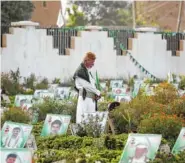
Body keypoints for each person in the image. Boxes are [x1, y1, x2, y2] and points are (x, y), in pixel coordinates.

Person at [73, 52, 101, 123]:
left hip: (91, 99)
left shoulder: (88, 71)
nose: (93, 64)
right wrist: (97, 92)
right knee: (82, 119)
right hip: (84, 98)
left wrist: (96, 94)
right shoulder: (80, 71)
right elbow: (86, 85)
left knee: (91, 120)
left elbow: (92, 85)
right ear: (87, 60)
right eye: (92, 62)